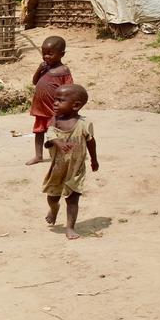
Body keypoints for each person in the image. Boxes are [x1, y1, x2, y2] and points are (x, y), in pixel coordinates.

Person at [42, 84, 99, 240]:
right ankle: (54, 209)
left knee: (72, 199)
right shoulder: (55, 121)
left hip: (76, 168)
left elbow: (91, 142)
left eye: (60, 100)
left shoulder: (84, 123)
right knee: (52, 197)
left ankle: (70, 227)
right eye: (55, 99)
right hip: (57, 168)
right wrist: (59, 143)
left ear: (75, 105)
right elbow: (50, 136)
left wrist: (94, 160)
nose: (55, 103)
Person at [26, 36, 73, 165]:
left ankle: (62, 155)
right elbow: (35, 81)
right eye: (44, 53)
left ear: (61, 54)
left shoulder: (63, 71)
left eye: (50, 54)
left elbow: (69, 89)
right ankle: (38, 156)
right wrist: (39, 70)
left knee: (57, 133)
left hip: (54, 110)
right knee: (39, 132)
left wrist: (65, 106)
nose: (46, 57)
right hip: (40, 108)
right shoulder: (45, 68)